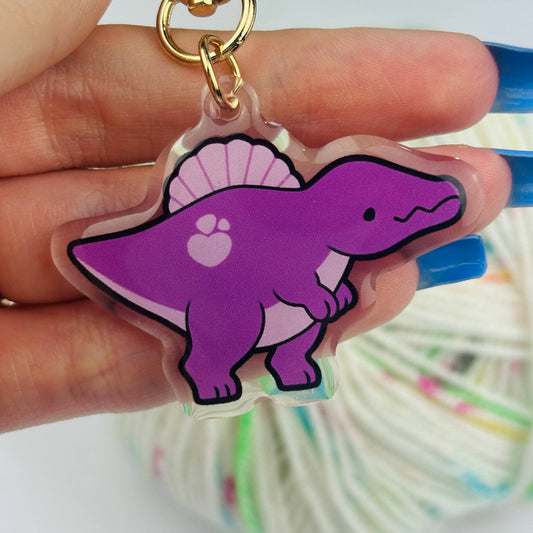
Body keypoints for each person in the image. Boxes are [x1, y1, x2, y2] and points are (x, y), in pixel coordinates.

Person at [0, 1, 512, 432]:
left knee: (309, 322)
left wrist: (320, 295)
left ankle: (290, 361)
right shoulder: (311, 233)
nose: (411, 223)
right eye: (380, 217)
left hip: (262, 254)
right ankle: (208, 373)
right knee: (237, 320)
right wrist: (314, 293)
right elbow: (288, 276)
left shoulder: (326, 228)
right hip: (222, 280)